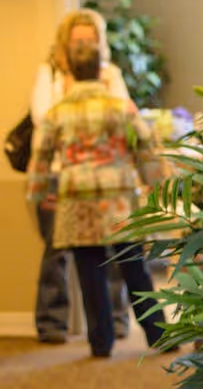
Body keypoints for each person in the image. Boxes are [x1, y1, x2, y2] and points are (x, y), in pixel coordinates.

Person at [26, 41, 166, 359]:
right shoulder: (122, 108)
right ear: (101, 71)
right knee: (135, 270)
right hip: (119, 201)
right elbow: (145, 147)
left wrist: (38, 193)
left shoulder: (58, 113)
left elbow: (40, 156)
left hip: (78, 204)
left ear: (70, 73)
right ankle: (159, 335)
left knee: (90, 273)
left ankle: (101, 343)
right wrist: (155, 185)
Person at [27, 10, 135, 344]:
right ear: (66, 42)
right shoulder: (50, 73)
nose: (85, 45)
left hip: (108, 177)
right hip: (60, 176)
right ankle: (52, 323)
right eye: (78, 39)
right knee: (55, 252)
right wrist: (79, 97)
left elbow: (125, 112)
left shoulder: (110, 73)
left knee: (115, 252)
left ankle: (116, 321)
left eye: (91, 39)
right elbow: (42, 116)